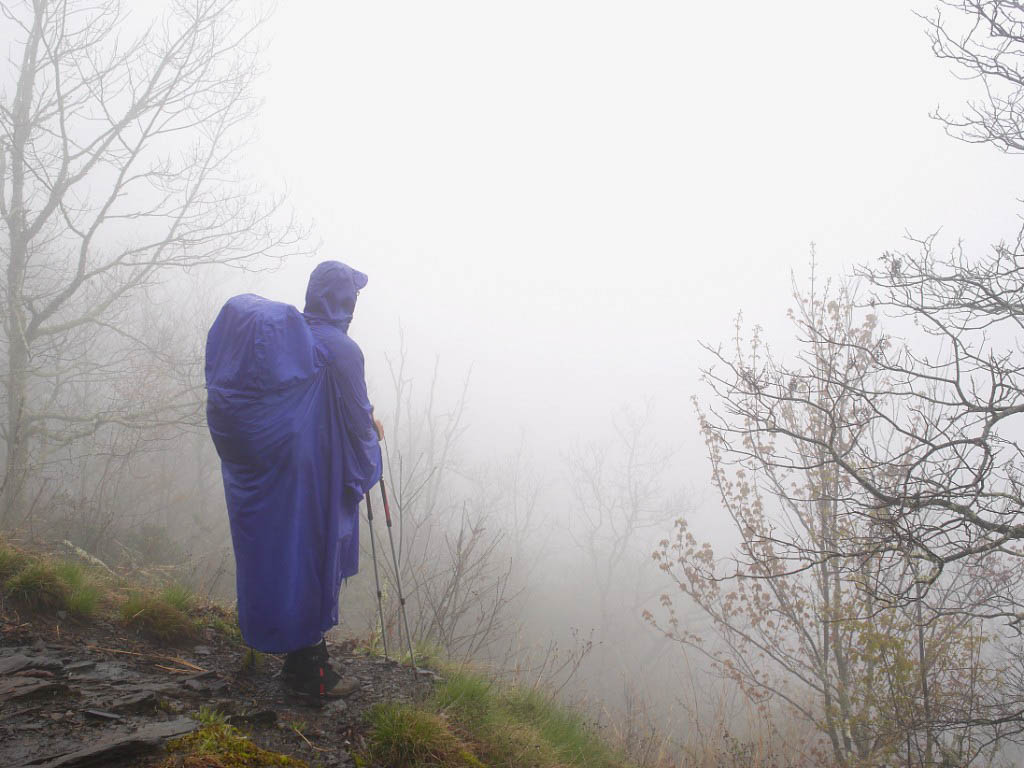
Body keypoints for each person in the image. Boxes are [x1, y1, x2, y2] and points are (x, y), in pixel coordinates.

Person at [205, 261, 383, 697]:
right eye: (352, 297)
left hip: (270, 468)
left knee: (280, 556)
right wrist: (370, 455)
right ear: (344, 301)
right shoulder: (342, 349)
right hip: (311, 474)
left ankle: (295, 655)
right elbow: (360, 423)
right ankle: (311, 677)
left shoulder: (292, 337)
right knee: (313, 557)